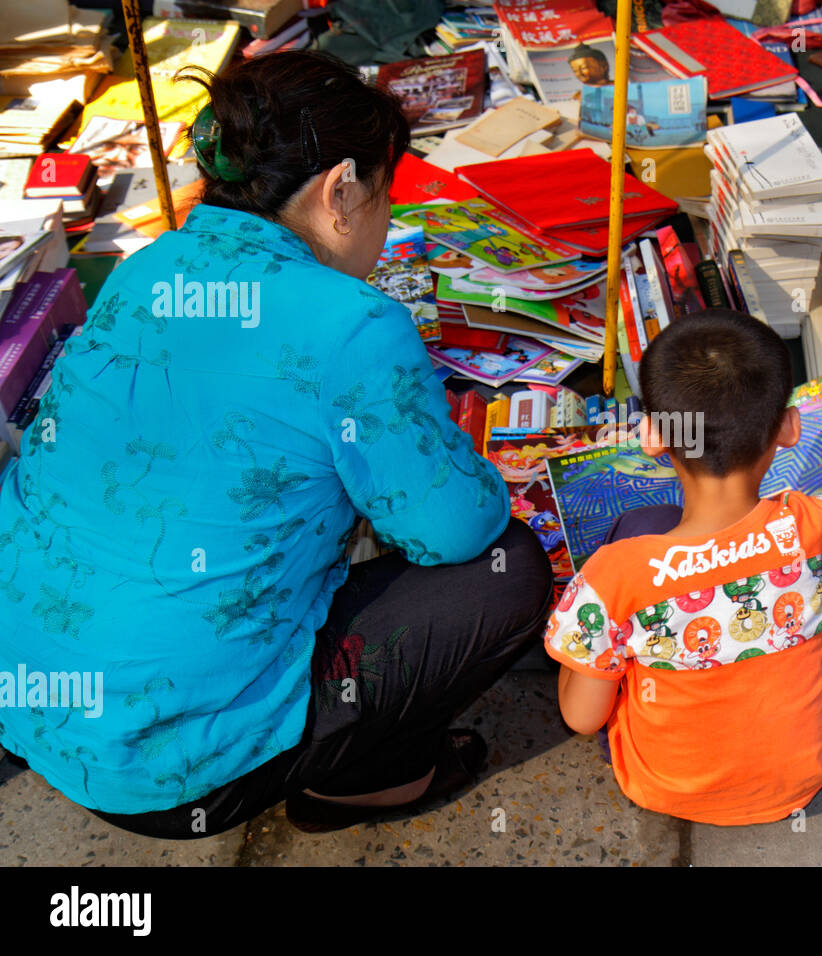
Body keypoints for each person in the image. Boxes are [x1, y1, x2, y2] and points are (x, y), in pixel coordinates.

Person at [0, 50, 553, 837]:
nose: (387, 222)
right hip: (170, 772)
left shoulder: (143, 268)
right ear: (342, 190)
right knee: (505, 571)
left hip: (35, 707)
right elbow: (454, 528)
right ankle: (364, 780)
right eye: (387, 196)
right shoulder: (353, 324)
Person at [542, 310, 822, 825]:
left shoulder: (615, 576)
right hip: (804, 773)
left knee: (638, 528)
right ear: (788, 428)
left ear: (651, 436)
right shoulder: (816, 526)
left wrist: (582, 650)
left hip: (664, 785)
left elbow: (581, 719)